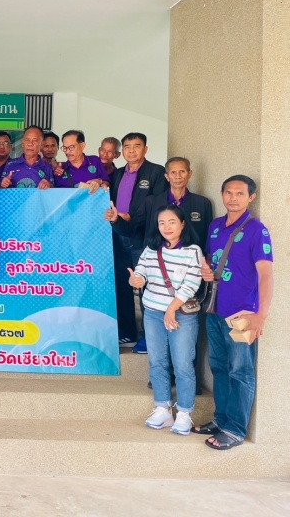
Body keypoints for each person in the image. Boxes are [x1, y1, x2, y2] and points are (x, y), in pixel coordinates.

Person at [192, 175, 273, 450]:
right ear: (222, 194)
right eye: (228, 192)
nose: (233, 198)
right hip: (214, 310)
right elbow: (210, 260)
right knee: (218, 367)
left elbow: (266, 276)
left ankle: (235, 430)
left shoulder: (257, 230)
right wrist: (205, 270)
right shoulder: (215, 226)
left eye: (240, 193)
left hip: (241, 316)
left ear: (251, 197)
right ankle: (221, 419)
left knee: (240, 372)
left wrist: (261, 315)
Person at [129, 205, 202, 435]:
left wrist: (171, 309)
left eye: (172, 222)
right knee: (157, 362)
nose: (166, 227)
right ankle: (163, 409)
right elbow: (140, 272)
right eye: (162, 223)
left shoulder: (193, 251)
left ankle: (184, 413)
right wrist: (136, 280)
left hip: (181, 315)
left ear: (182, 224)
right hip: (152, 312)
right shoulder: (151, 249)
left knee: (183, 364)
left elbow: (192, 283)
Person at [107, 133, 167, 351]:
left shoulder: (156, 172)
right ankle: (127, 332)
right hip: (118, 234)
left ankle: (148, 337)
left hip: (143, 237)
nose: (131, 151)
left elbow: (157, 204)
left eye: (136, 146)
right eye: (127, 147)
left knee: (145, 286)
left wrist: (132, 217)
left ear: (145, 149)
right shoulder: (118, 173)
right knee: (121, 284)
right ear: (122, 151)